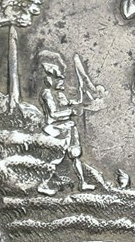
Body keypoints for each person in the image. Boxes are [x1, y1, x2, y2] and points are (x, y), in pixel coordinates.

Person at [37, 50, 93, 194]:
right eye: (58, 77)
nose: (62, 80)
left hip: (69, 128)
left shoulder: (60, 94)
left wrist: (77, 103)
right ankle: (43, 185)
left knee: (75, 155)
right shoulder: (47, 94)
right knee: (55, 158)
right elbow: (53, 115)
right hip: (56, 130)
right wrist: (71, 112)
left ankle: (83, 183)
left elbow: (69, 105)